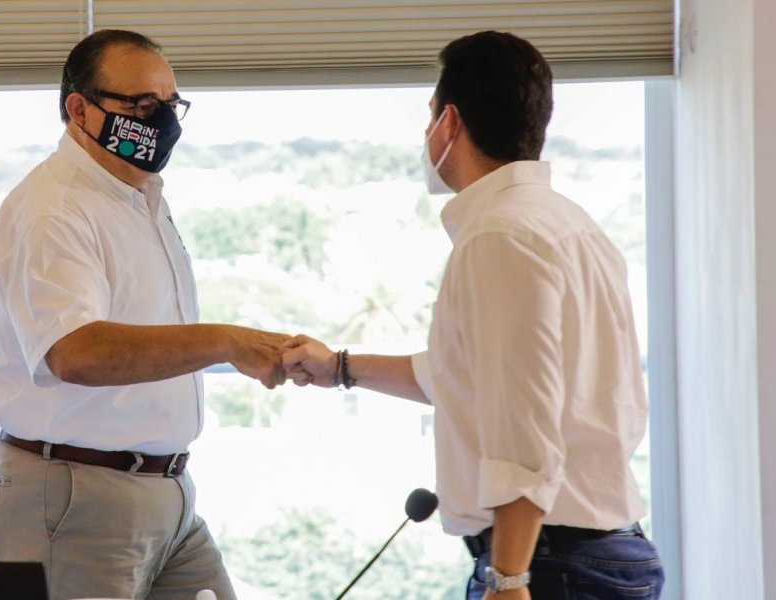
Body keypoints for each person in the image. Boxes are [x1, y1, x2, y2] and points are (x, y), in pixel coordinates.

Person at [281, 31, 664, 600]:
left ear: (449, 123)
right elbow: (465, 377)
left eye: (429, 116)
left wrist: (508, 579)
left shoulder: (500, 236)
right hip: (592, 552)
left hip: (546, 564)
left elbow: (523, 423)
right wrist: (337, 366)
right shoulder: (566, 222)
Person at [0, 29, 288, 600]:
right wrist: (225, 341)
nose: (162, 120)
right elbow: (76, 351)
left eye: (171, 103)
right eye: (142, 105)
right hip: (77, 498)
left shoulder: (138, 197)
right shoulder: (54, 208)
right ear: (80, 110)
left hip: (167, 492)